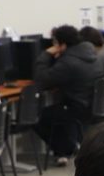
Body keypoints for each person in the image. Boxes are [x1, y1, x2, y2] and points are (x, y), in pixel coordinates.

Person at [34, 24, 99, 162]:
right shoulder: (90, 53)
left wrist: (46, 55)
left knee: (38, 117)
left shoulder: (68, 62)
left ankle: (66, 148)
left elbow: (42, 80)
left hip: (75, 107)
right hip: (90, 105)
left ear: (62, 44)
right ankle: (67, 147)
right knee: (54, 113)